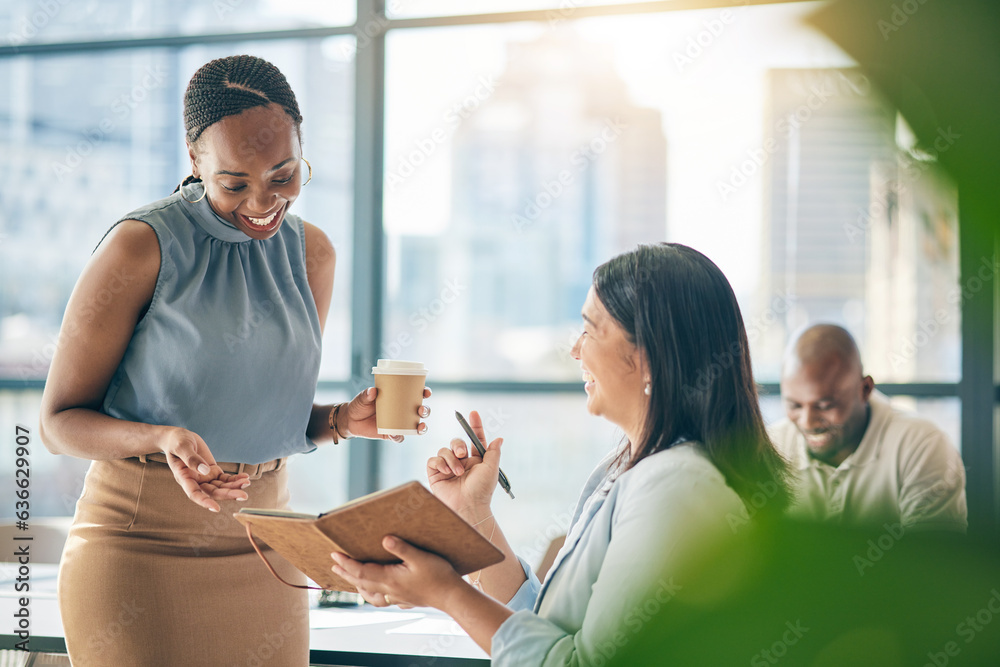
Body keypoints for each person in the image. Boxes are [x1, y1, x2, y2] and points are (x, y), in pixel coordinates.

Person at [38, 55, 428, 666]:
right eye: (235, 183)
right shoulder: (140, 245)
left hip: (266, 545)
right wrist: (164, 436)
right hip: (140, 548)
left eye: (283, 175)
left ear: (302, 148)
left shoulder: (313, 254)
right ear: (195, 162)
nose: (263, 203)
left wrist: (341, 421)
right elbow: (58, 423)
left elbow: (274, 412)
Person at [328, 243, 793, 664]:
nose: (575, 349)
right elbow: (545, 627)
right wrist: (474, 514)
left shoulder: (678, 487)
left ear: (647, 356)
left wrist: (446, 592)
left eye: (590, 330)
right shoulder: (630, 467)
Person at [769, 323, 967, 533]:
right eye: (794, 405)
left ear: (865, 389)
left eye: (825, 406)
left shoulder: (922, 446)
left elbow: (934, 560)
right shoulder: (770, 448)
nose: (807, 422)